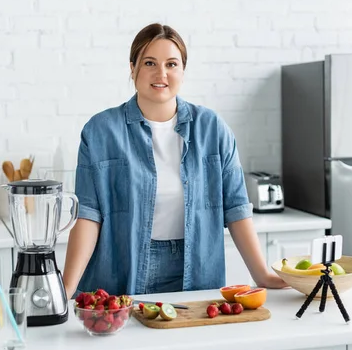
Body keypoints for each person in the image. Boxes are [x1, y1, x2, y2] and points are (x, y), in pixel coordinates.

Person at [63, 23, 287, 298]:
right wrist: (66, 288)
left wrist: (261, 273)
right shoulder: (100, 131)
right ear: (132, 68)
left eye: (171, 64)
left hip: (197, 271)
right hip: (120, 273)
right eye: (149, 63)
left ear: (182, 71)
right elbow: (88, 215)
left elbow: (236, 208)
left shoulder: (212, 129)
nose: (161, 74)